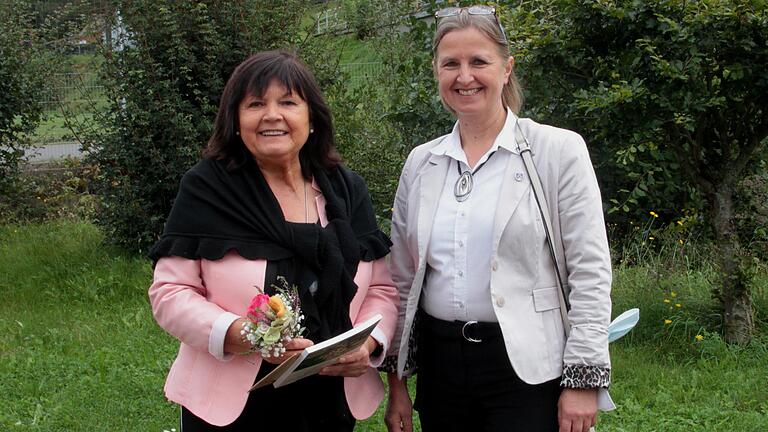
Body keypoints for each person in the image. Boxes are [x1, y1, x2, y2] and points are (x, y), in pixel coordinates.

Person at [382, 6, 612, 432]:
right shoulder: (422, 163)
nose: (464, 76)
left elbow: (590, 270)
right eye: (451, 63)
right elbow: (401, 277)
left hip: (526, 367)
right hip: (441, 365)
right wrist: (398, 380)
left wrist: (583, 379)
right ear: (436, 71)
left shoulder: (557, 151)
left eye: (479, 62)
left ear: (507, 69)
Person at [148, 50, 399, 431]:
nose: (272, 115)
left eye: (288, 102)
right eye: (255, 104)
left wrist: (367, 344)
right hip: (235, 404)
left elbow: (382, 288)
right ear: (235, 120)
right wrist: (240, 335)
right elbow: (170, 293)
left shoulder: (346, 190)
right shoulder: (206, 189)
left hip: (329, 396)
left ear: (311, 118)